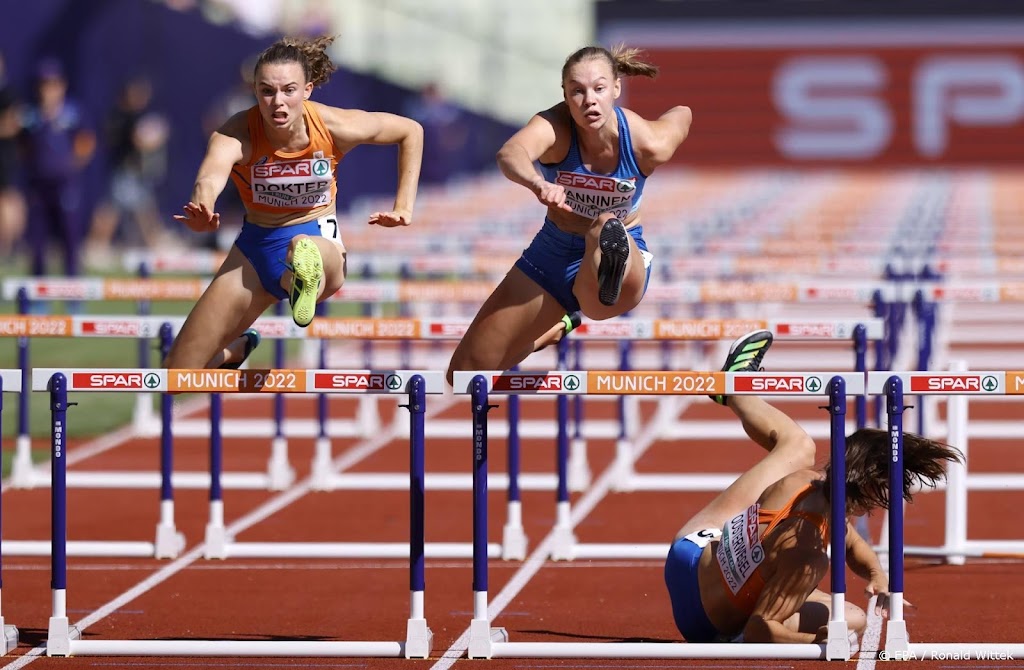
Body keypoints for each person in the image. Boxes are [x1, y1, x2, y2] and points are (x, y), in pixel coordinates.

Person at [664, 329, 962, 644]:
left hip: (687, 553)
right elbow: (759, 630)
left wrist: (877, 575)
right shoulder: (807, 558)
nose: (880, 504)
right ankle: (734, 629)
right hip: (705, 624)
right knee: (849, 621)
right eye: (883, 492)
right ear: (864, 486)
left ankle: (736, 389)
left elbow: (850, 542)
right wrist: (821, 644)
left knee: (798, 447)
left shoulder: (804, 483)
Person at [164, 35, 423, 370]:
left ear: (308, 90)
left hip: (317, 237)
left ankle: (302, 277)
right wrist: (203, 205)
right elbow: (211, 175)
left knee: (303, 249)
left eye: (289, 90)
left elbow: (410, 130)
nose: (277, 102)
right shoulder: (237, 132)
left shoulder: (333, 125)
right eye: (267, 91)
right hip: (255, 251)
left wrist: (404, 206)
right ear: (254, 91)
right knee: (176, 374)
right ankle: (240, 348)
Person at [446, 45, 692, 385]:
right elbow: (511, 153)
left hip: (621, 265)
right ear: (564, 95)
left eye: (599, 89)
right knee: (463, 374)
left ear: (616, 89)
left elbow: (682, 114)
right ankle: (549, 330)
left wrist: (678, 114)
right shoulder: (555, 126)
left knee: (605, 226)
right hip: (553, 252)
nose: (588, 100)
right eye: (577, 91)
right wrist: (536, 182)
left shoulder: (647, 142)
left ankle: (605, 263)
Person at [19, 57, 96, 277]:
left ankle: (73, 288)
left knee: (70, 237)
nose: (48, 90)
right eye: (44, 85)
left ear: (61, 85)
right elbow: (22, 146)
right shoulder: (30, 115)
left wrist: (71, 163)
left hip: (65, 184)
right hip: (38, 185)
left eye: (53, 84)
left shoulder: (72, 113)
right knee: (37, 239)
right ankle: (37, 289)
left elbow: (86, 141)